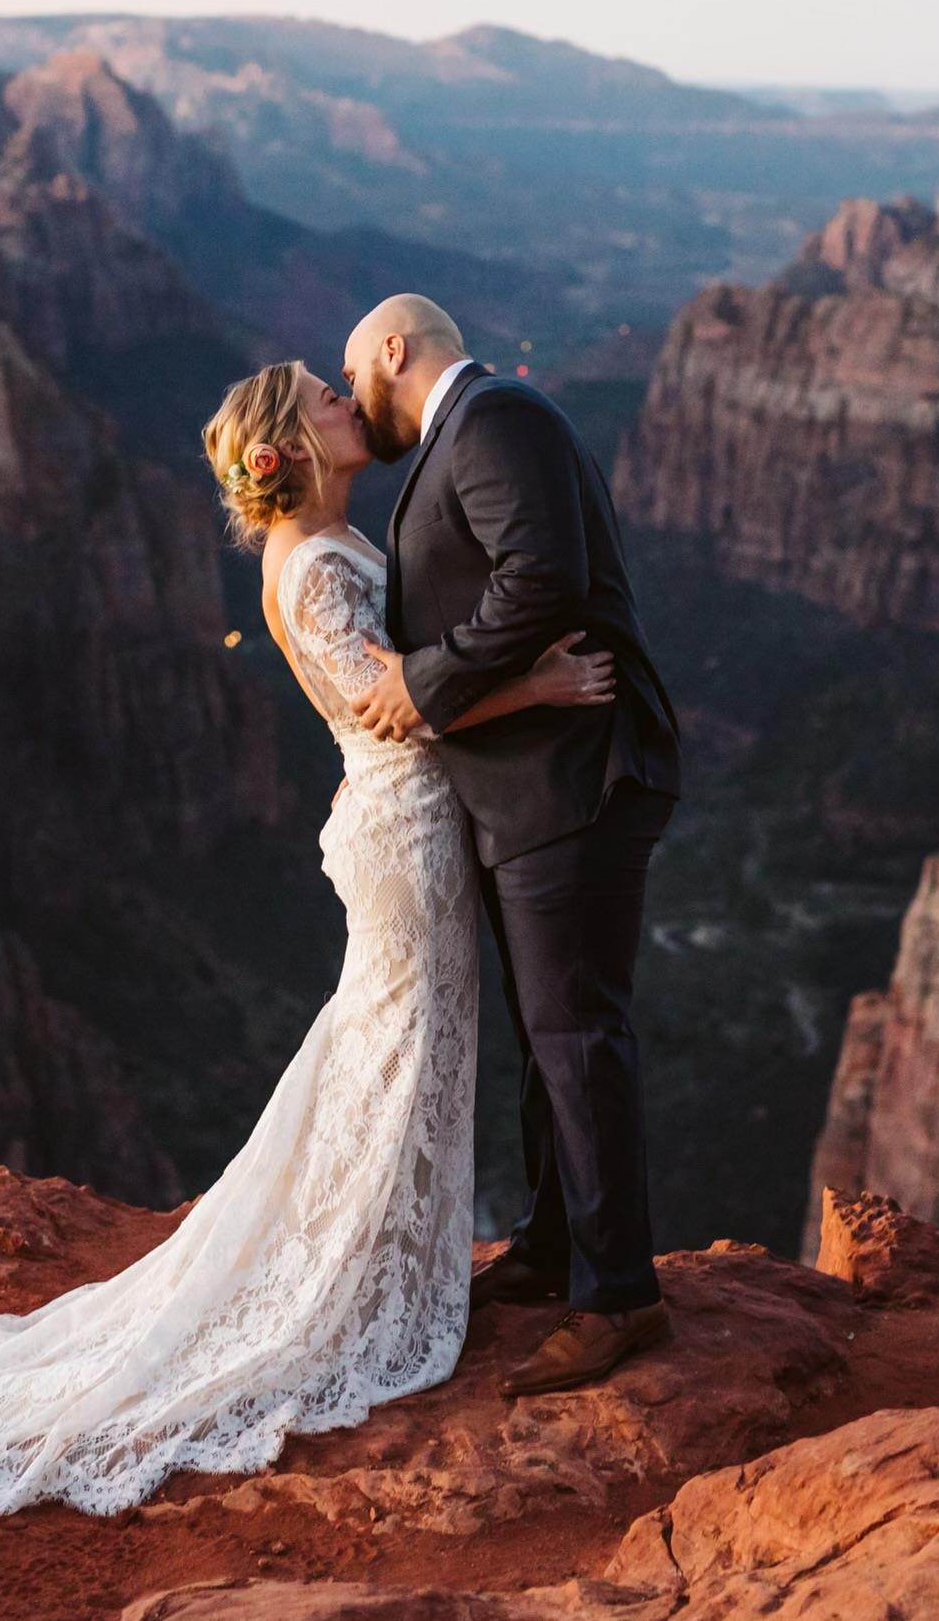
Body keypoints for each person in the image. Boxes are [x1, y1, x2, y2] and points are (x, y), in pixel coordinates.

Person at [0, 358, 617, 1515]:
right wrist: (543, 684)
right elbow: (391, 698)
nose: (344, 398)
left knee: (397, 1046)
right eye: (325, 396)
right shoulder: (315, 564)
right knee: (394, 1049)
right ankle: (334, 1289)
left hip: (396, 817)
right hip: (406, 832)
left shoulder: (311, 551)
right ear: (292, 446)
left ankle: (369, 1264)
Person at [339, 294, 682, 1398]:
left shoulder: (492, 421)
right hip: (526, 789)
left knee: (577, 1033)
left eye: (355, 381)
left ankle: (619, 1293)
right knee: (549, 1036)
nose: (352, 406)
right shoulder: (474, 426)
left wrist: (420, 684)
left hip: (570, 780)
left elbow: (541, 575)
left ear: (394, 350)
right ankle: (550, 1246)